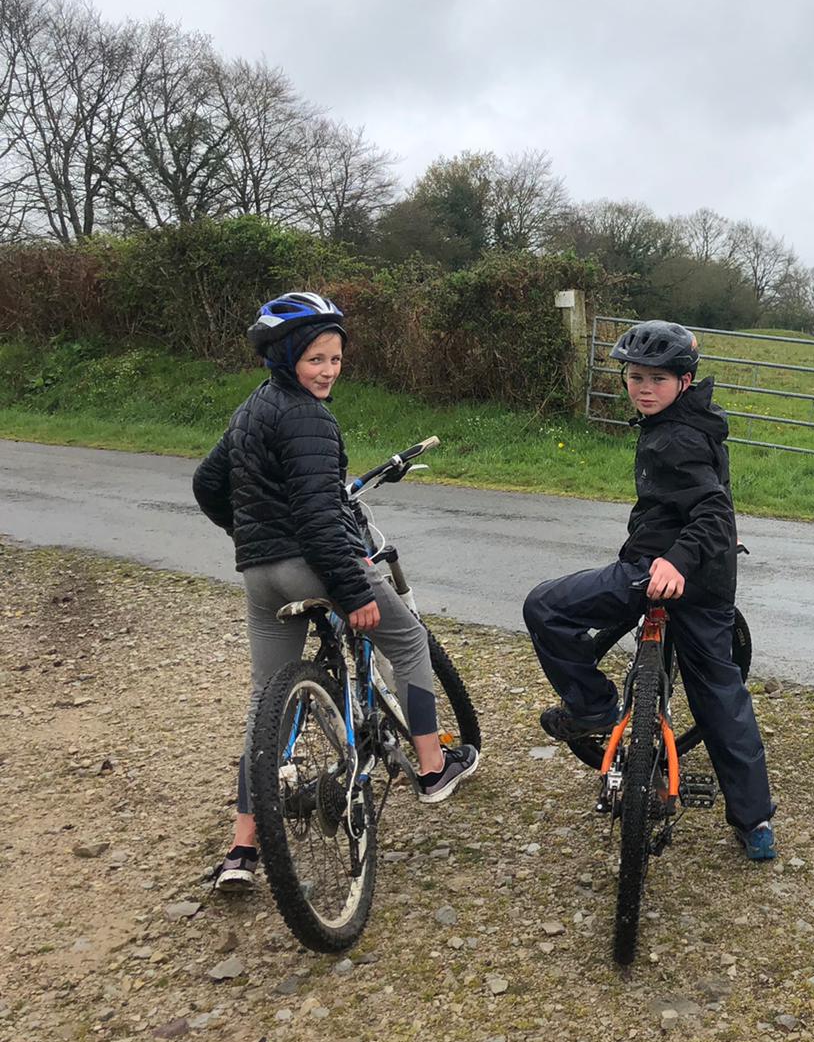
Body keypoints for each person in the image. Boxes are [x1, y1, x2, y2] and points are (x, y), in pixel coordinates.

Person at [193, 292, 479, 892]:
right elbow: (324, 518)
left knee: (263, 703)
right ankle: (432, 768)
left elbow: (208, 483)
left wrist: (251, 534)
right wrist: (353, 590)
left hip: (260, 575)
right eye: (315, 359)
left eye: (336, 359)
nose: (327, 371)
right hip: (315, 566)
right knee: (408, 642)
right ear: (286, 357)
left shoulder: (252, 409)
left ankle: (243, 849)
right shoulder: (310, 419)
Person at [522, 320, 777, 861]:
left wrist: (674, 559)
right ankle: (754, 822)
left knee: (545, 606)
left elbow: (713, 510)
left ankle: (592, 706)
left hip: (667, 570)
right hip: (710, 578)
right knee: (720, 696)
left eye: (658, 379)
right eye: (636, 377)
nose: (643, 388)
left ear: (684, 381)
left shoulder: (676, 436)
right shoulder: (697, 419)